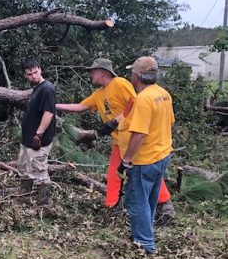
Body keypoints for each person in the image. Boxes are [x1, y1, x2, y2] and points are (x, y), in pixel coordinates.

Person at [56, 58, 174, 223]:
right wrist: (52, 105)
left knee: (145, 173)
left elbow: (135, 103)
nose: (91, 74)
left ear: (103, 72)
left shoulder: (119, 83)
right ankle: (113, 207)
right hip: (120, 142)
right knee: (114, 174)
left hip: (134, 139)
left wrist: (116, 120)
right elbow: (80, 107)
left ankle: (166, 207)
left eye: (93, 71)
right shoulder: (99, 94)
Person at [117, 56, 174, 255]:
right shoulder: (163, 94)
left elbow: (140, 133)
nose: (131, 76)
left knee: (137, 201)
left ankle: (144, 244)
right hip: (162, 155)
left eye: (132, 73)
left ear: (137, 76)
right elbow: (170, 122)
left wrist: (126, 161)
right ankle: (146, 235)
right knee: (150, 199)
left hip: (145, 159)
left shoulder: (143, 99)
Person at [17, 58, 56, 207]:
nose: (34, 76)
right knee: (24, 168)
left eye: (36, 72)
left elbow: (49, 113)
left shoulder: (47, 89)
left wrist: (39, 134)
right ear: (25, 75)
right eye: (30, 74)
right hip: (27, 139)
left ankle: (43, 205)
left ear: (40, 69)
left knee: (39, 171)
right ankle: (24, 198)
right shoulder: (36, 89)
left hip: (39, 139)